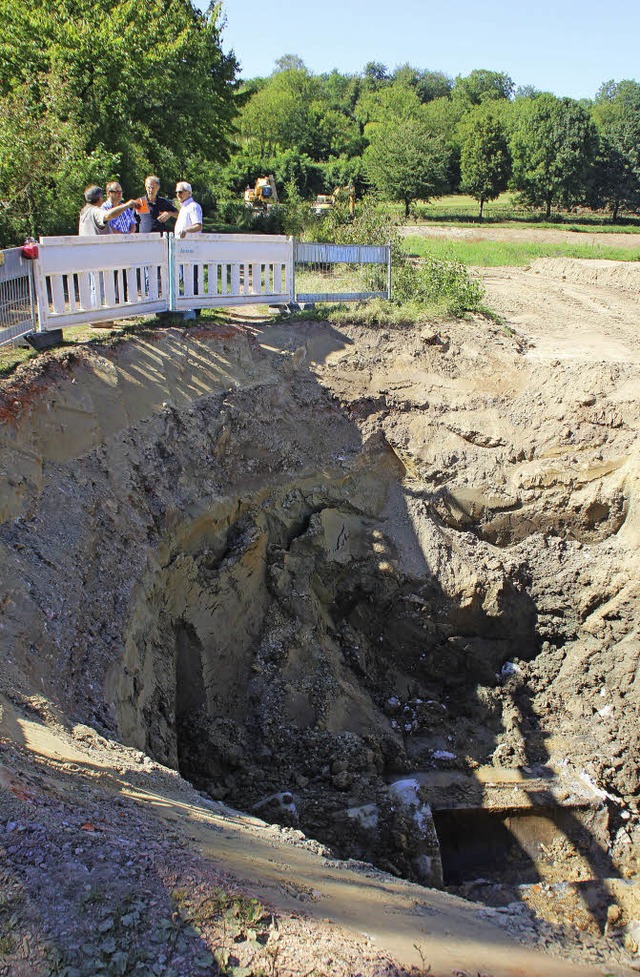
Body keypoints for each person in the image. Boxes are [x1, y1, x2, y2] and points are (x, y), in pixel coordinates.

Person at [174, 181, 203, 318]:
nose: (178, 194)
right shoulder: (184, 207)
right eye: (177, 192)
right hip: (181, 249)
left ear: (188, 192)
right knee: (183, 277)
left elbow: (198, 225)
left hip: (190, 249)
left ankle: (195, 309)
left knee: (191, 278)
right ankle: (186, 305)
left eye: (180, 191)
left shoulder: (193, 206)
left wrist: (186, 230)